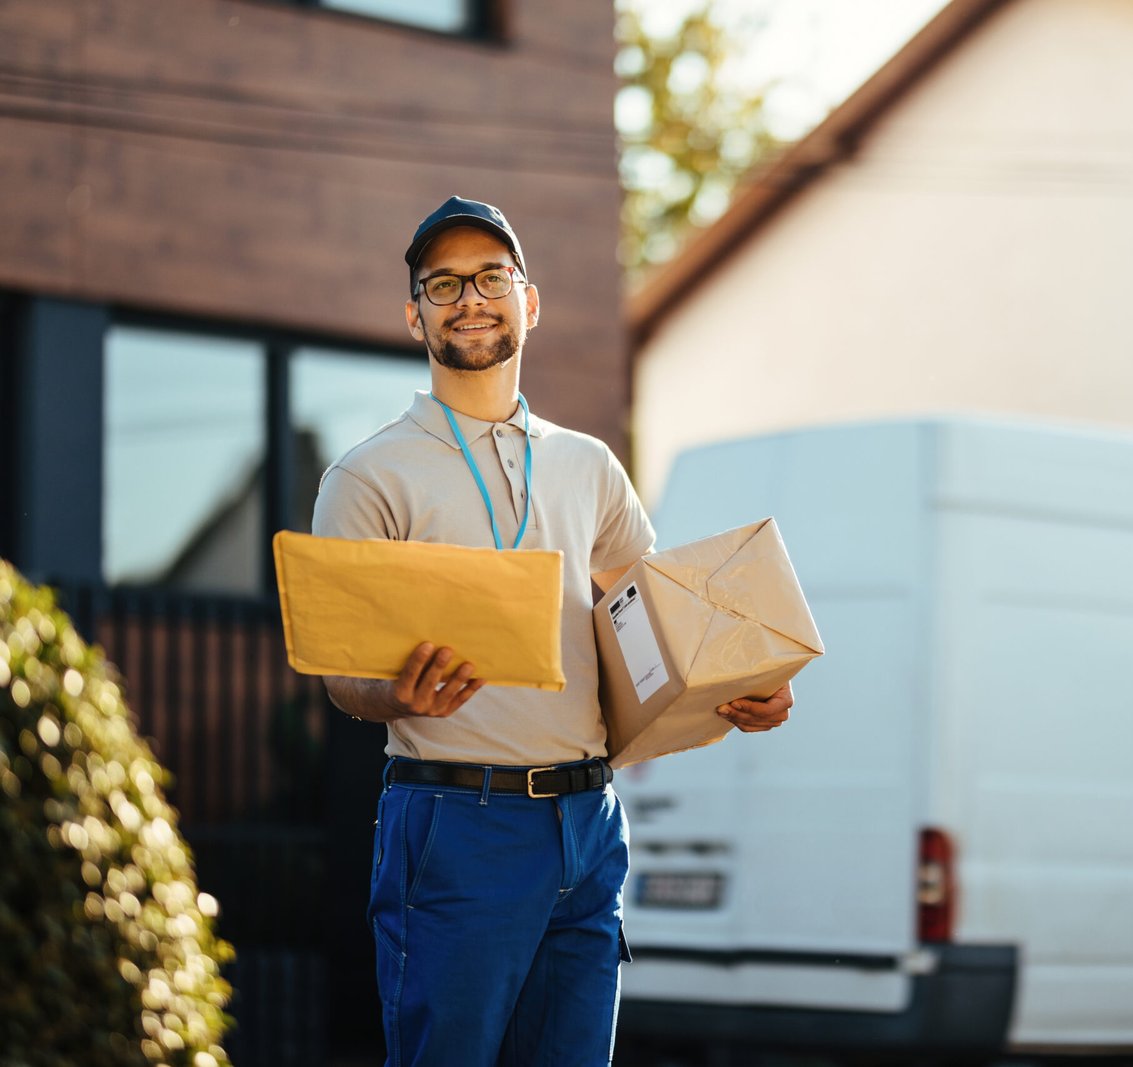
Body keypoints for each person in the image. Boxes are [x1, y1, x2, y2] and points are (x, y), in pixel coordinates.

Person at [311, 196, 793, 1067]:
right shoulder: (367, 476)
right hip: (457, 820)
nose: (471, 298)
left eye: (492, 276)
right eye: (444, 283)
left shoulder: (587, 465)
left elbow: (654, 628)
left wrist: (738, 682)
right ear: (413, 313)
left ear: (529, 301)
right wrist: (393, 691)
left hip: (589, 821)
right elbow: (341, 676)